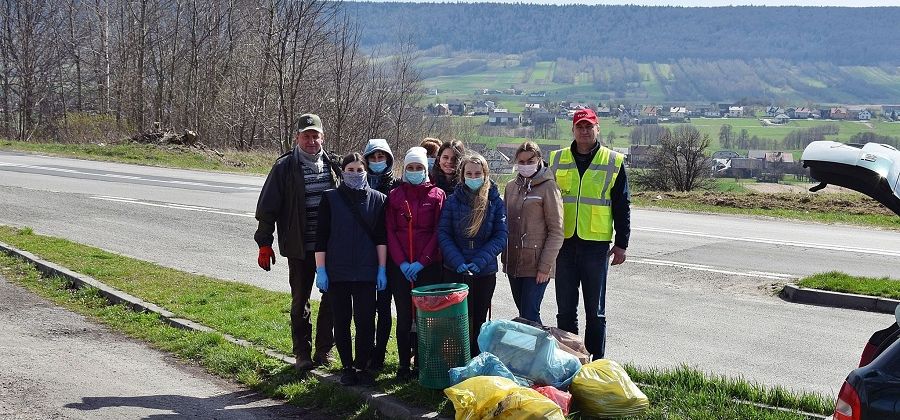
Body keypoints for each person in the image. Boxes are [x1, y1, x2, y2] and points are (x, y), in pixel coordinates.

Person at [254, 113, 338, 371]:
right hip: (299, 247)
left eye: (316, 135)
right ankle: (302, 353)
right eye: (306, 136)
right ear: (297, 137)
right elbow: (267, 208)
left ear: (322, 137)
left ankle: (324, 350)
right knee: (300, 299)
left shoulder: (334, 165)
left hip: (329, 248)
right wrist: (264, 243)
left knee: (332, 299)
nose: (311, 140)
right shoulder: (284, 167)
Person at [549, 108, 630, 360]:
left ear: (598, 129)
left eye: (589, 127)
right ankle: (569, 361)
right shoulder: (556, 159)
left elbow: (621, 204)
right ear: (573, 130)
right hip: (563, 244)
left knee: (595, 312)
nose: (584, 131)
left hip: (596, 246)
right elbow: (547, 201)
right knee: (565, 311)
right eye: (579, 127)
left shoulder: (613, 161)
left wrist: (621, 244)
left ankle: (595, 366)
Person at [314, 153, 388, 386]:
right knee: (342, 320)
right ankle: (347, 367)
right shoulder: (330, 198)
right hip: (338, 271)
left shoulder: (378, 199)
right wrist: (321, 269)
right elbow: (321, 237)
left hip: (366, 272)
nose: (355, 174)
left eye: (359, 170)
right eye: (350, 169)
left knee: (366, 322)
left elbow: (381, 238)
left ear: (365, 172)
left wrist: (382, 269)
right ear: (343, 171)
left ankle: (362, 366)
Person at [385, 146, 446, 380]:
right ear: (404, 169)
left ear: (426, 169)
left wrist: (423, 262)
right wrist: (401, 263)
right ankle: (403, 364)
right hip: (402, 268)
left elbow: (438, 231)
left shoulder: (437, 195)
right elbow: (390, 231)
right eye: (410, 167)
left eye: (418, 167)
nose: (414, 171)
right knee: (403, 316)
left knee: (425, 318)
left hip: (427, 267)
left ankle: (422, 363)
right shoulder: (395, 196)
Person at [438, 152, 507, 357]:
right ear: (462, 175)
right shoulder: (452, 200)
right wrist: (457, 261)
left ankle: (475, 361)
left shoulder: (495, 201)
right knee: (456, 320)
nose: (473, 177)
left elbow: (501, 235)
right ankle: (456, 360)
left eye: (478, 173)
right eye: (469, 173)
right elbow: (443, 232)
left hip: (483, 272)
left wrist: (480, 260)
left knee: (478, 320)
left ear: (485, 174)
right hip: (455, 270)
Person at [502, 141, 564, 324]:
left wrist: (545, 266)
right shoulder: (511, 186)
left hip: (536, 265)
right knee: (524, 315)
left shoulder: (549, 187)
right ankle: (529, 351)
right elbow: (504, 223)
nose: (526, 165)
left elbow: (557, 231)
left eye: (530, 160)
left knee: (530, 314)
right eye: (521, 161)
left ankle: (541, 350)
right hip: (514, 263)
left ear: (539, 160)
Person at [362, 138, 400, 371]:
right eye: (373, 158)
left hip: (390, 255)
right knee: (366, 308)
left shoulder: (396, 186)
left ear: (388, 159)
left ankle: (380, 353)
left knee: (384, 307)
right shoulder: (359, 182)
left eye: (381, 157)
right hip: (364, 255)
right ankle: (365, 351)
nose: (377, 162)